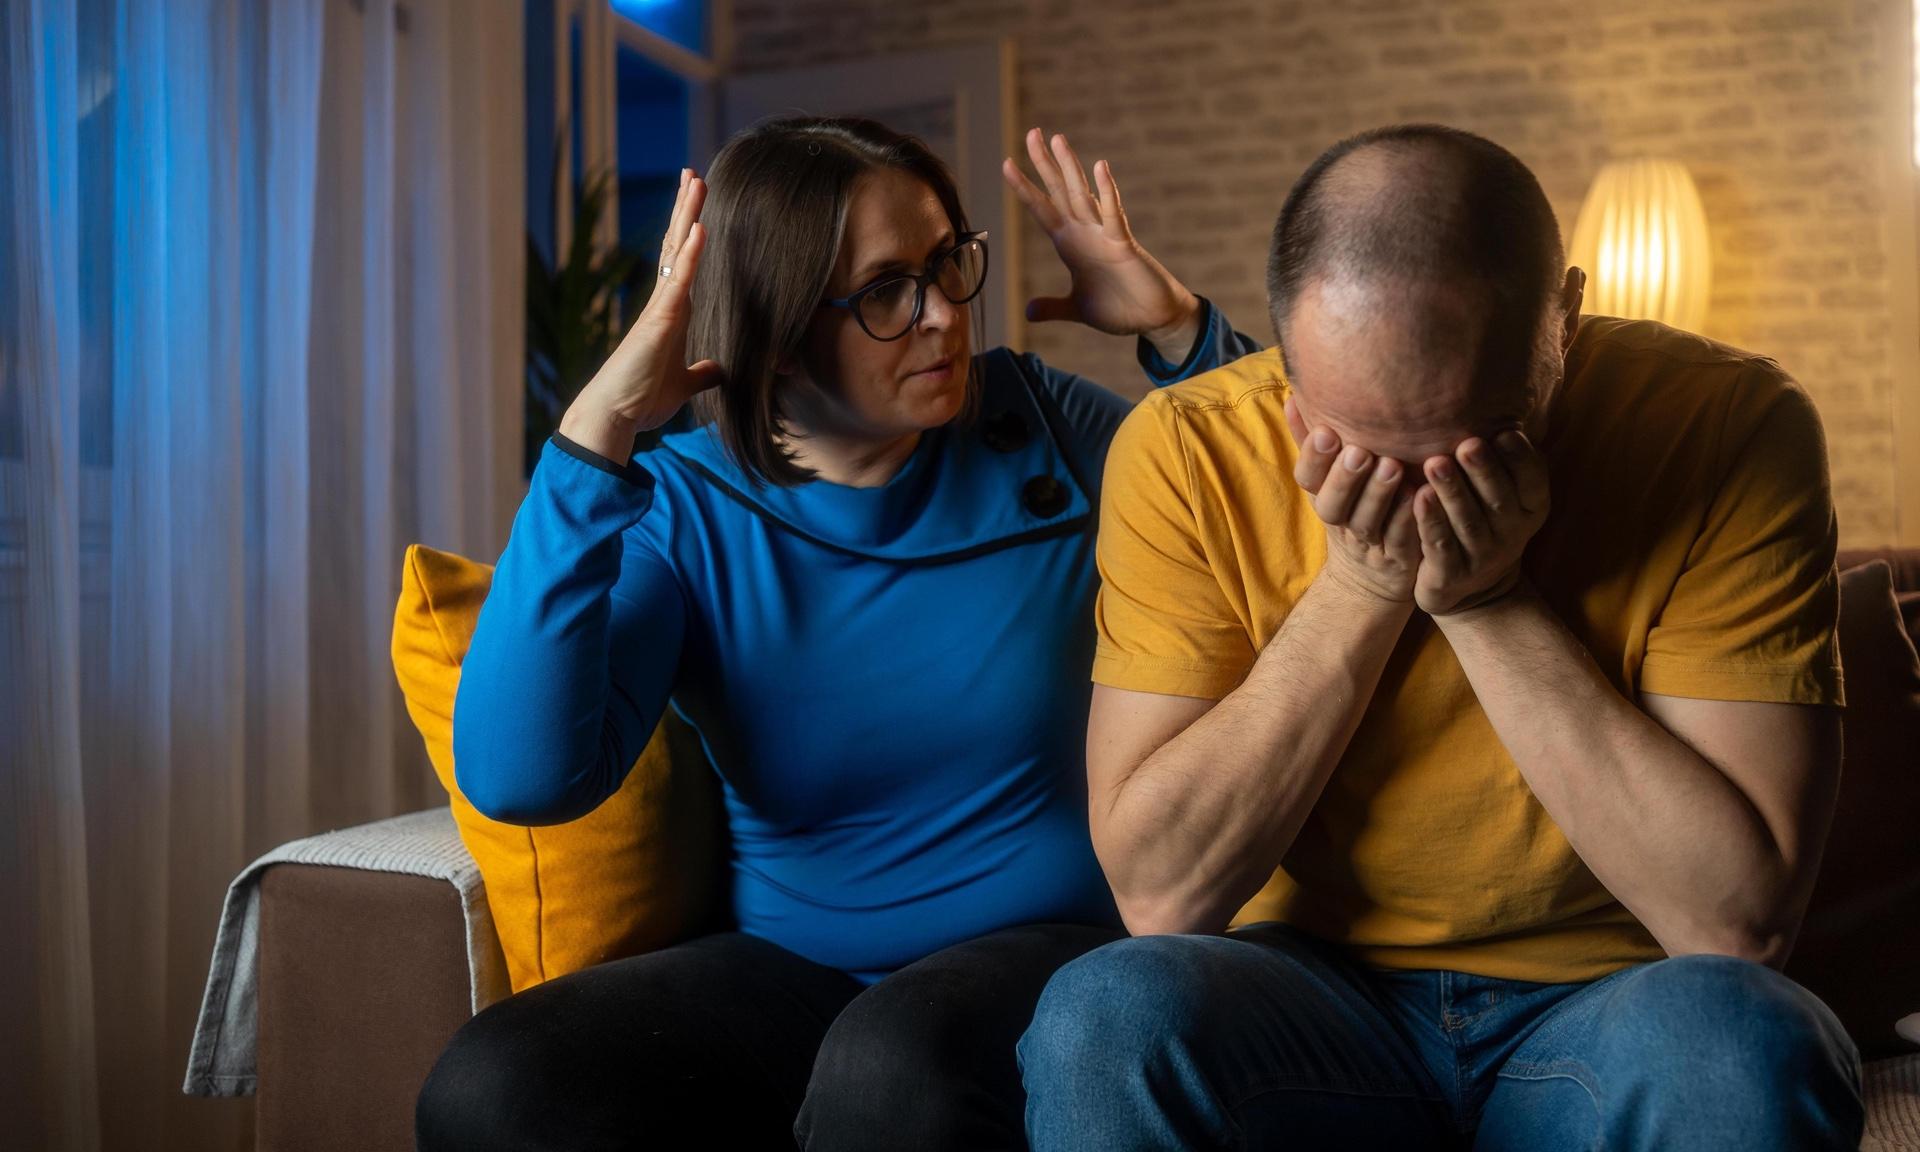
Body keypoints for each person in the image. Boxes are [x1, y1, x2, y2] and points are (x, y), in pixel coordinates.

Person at [413, 116, 1259, 1151]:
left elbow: (1280, 520)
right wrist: (597, 434)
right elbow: (521, 779)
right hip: (799, 972)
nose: (944, 315)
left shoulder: (1041, 422)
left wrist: (1176, 330)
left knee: (893, 1062)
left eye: (947, 264)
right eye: (887, 291)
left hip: (1056, 952)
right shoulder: (681, 508)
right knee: (493, 1084)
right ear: (775, 325)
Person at [1019, 124, 1862, 1150]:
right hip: (1305, 998)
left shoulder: (1729, 427)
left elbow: (1737, 923)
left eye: (1482, 444)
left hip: (1610, 1002)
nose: (1423, 498)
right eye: (1361, 450)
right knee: (1104, 1014)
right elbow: (1160, 894)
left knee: (1745, 1043)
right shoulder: (1186, 448)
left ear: (1563, 319)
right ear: (1288, 355)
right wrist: (1361, 586)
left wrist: (1487, 602)